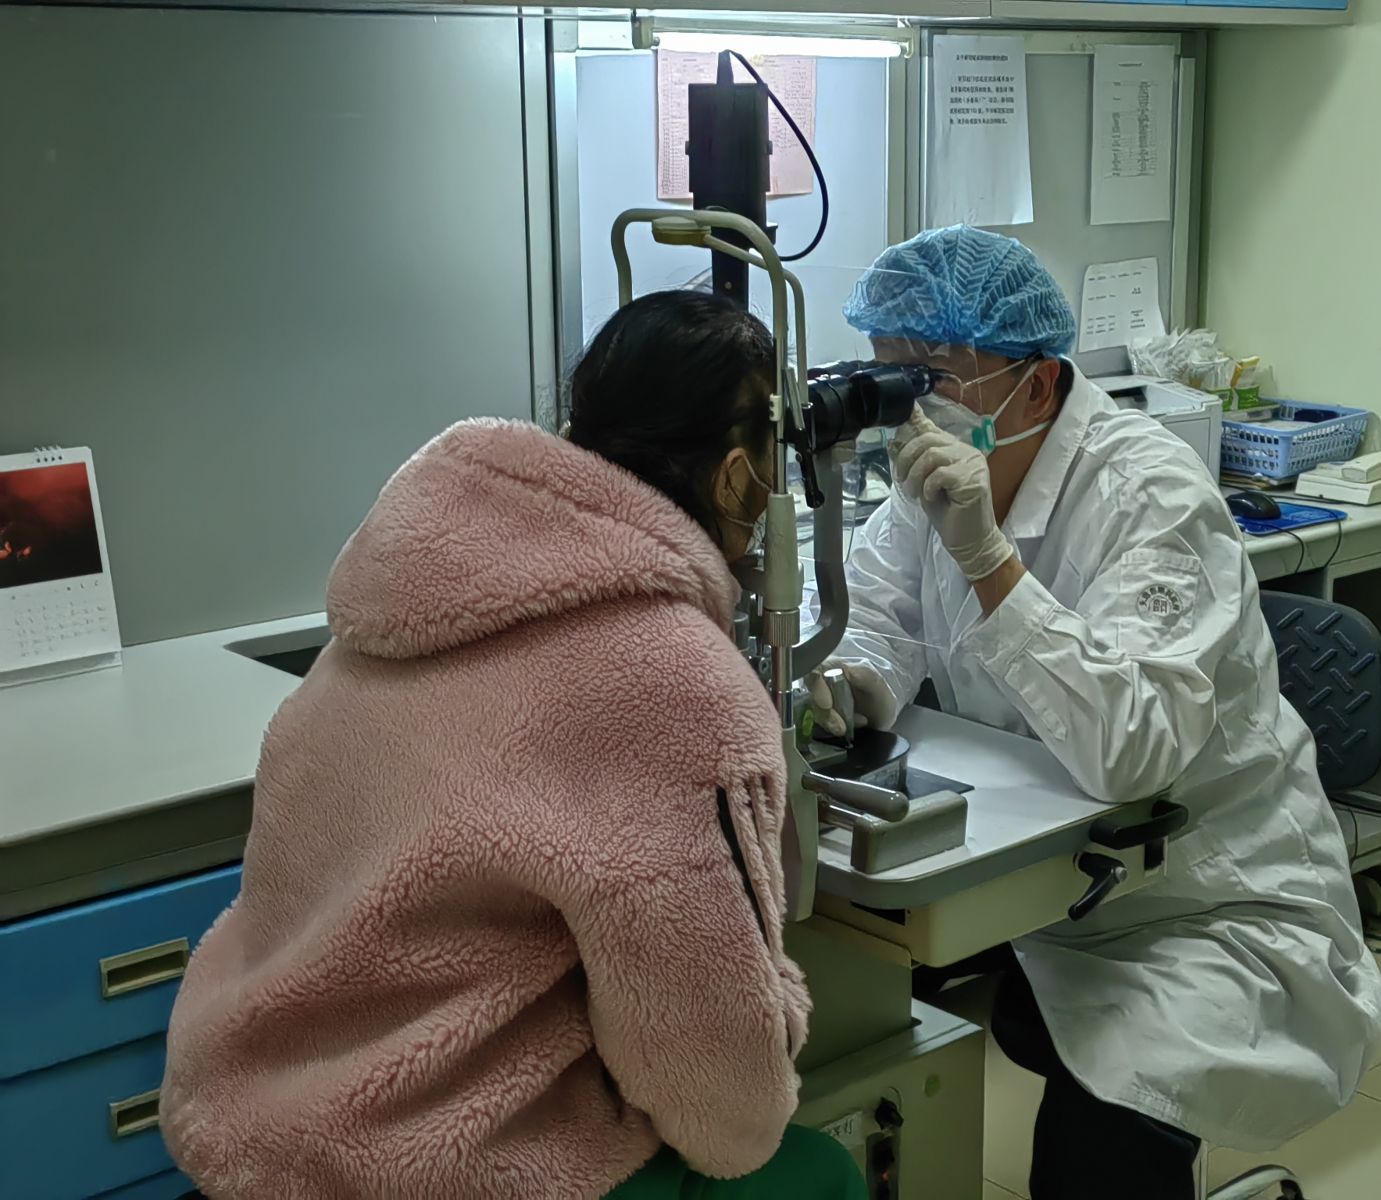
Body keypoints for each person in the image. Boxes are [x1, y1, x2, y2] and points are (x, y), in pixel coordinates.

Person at [163, 291, 864, 1200]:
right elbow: (720, 1105)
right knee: (823, 1174)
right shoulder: (678, 681)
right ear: (737, 478)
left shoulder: (397, 606)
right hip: (435, 1168)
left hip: (249, 1124)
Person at [811, 227, 1381, 1197]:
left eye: (933, 381)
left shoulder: (1151, 495)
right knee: (837, 985)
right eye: (891, 382)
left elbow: (1131, 751)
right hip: (1050, 879)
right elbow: (876, 620)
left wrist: (990, 563)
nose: (909, 415)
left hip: (1206, 906)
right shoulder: (932, 481)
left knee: (1097, 1151)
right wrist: (850, 683)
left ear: (1037, 386)